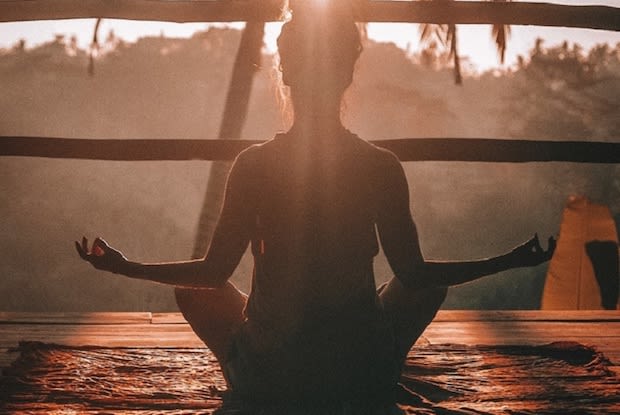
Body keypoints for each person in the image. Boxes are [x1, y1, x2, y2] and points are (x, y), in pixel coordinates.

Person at [76, 0, 555, 410]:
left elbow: (212, 271)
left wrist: (126, 266)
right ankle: (379, 371)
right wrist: (507, 260)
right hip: (359, 374)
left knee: (193, 292)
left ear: (284, 70)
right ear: (348, 71)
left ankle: (248, 380)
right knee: (424, 287)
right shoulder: (379, 165)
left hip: (273, 377)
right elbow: (414, 274)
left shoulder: (254, 165)